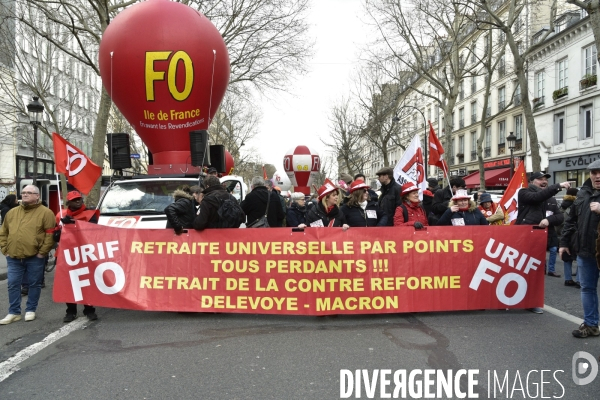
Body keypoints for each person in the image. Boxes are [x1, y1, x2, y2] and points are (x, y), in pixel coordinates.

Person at [0, 185, 55, 324]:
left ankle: (30, 309)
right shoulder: (12, 213)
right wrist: (4, 249)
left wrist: (42, 253)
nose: (25, 195)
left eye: (29, 193)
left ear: (37, 196)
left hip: (35, 257)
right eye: (23, 192)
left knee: (34, 284)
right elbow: (3, 232)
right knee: (12, 284)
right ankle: (14, 312)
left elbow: (50, 234)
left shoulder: (46, 213)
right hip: (13, 256)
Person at [559, 160, 600, 338]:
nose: (597, 176)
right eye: (594, 172)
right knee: (587, 288)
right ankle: (591, 325)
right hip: (585, 251)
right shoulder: (583, 193)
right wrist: (564, 242)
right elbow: (570, 220)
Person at [55, 191, 99, 322]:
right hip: (66, 254)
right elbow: (55, 237)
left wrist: (73, 225)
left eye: (79, 199)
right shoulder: (60, 215)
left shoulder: (90, 215)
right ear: (69, 203)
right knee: (69, 284)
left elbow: (93, 233)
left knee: (87, 282)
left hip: (84, 253)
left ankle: (89, 309)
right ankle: (71, 311)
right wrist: (62, 229)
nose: (78, 201)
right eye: (75, 200)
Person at [517, 172, 569, 281]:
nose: (544, 181)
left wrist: (548, 220)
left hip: (547, 235)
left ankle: (548, 271)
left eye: (545, 179)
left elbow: (560, 217)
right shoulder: (524, 192)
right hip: (527, 236)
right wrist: (557, 186)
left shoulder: (551, 199)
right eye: (540, 179)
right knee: (526, 268)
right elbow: (537, 197)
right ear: (531, 181)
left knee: (540, 270)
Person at [559, 188, 580, 288]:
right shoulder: (578, 203)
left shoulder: (562, 204)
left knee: (567, 257)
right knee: (580, 257)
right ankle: (579, 280)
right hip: (576, 233)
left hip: (564, 233)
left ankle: (568, 279)